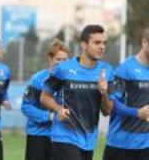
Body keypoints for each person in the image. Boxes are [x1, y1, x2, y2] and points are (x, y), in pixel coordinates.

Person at [40, 24, 114, 160]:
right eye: (97, 43)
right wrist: (58, 109)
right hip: (64, 136)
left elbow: (107, 111)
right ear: (84, 45)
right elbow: (44, 97)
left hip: (89, 140)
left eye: (104, 43)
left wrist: (104, 93)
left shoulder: (106, 71)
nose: (102, 47)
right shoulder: (63, 69)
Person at [102, 27, 149, 160]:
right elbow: (112, 104)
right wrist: (137, 113)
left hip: (146, 145)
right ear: (144, 42)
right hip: (121, 145)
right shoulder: (126, 69)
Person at [21, 39, 69, 160]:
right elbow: (26, 107)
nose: (62, 63)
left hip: (61, 136)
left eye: (65, 60)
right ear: (50, 58)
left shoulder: (69, 81)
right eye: (59, 59)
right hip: (38, 136)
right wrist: (49, 117)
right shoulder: (37, 79)